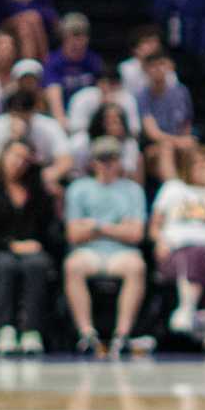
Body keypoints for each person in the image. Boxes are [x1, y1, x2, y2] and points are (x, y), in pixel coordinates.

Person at [63, 136, 150, 357]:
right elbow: (74, 234)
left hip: (121, 252)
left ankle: (122, 334)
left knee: (136, 267)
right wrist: (118, 228)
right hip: (89, 252)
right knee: (73, 266)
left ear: (119, 161)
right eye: (102, 159)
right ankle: (87, 334)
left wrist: (97, 226)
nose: (107, 164)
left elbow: (136, 234)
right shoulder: (79, 188)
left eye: (112, 158)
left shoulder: (132, 190)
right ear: (93, 162)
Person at [0, 138, 60, 356]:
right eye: (15, 156)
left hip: (34, 251)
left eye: (25, 158)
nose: (19, 162)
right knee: (5, 266)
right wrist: (11, 245)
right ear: (3, 157)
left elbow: (50, 231)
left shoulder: (39, 193)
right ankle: (4, 329)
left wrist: (37, 244)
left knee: (37, 264)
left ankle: (31, 330)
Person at [137, 51, 196, 182]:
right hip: (152, 146)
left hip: (179, 142)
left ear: (169, 67)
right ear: (145, 70)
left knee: (193, 146)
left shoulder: (181, 91)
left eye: (161, 64)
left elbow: (186, 124)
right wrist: (179, 141)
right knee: (166, 147)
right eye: (153, 66)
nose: (158, 69)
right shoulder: (142, 96)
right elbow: (153, 133)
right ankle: (173, 189)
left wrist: (185, 140)